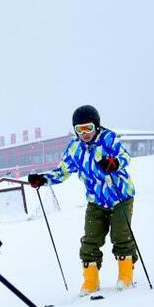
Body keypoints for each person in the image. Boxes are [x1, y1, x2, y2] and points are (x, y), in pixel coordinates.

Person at [27, 105, 135, 295]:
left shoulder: (108, 139)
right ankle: (91, 281)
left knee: (120, 236)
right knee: (90, 239)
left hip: (120, 196)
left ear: (97, 126)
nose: (85, 134)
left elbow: (125, 156)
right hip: (95, 200)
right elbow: (62, 172)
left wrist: (114, 163)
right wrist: (43, 179)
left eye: (88, 128)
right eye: (80, 129)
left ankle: (126, 275)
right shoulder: (74, 148)